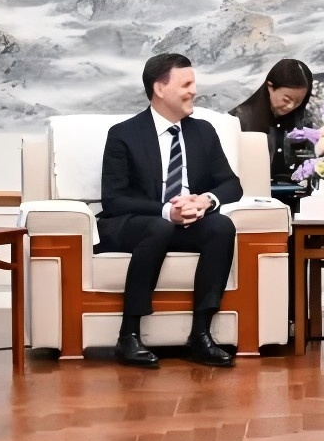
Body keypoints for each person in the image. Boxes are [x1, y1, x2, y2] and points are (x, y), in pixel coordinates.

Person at [98, 53, 243, 368]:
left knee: (221, 226)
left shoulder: (203, 131)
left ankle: (201, 336)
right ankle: (128, 334)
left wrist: (205, 201)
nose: (194, 91)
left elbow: (232, 185)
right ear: (160, 89)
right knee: (160, 226)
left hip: (186, 223)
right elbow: (114, 200)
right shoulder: (124, 134)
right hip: (136, 224)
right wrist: (166, 211)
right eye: (186, 84)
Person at [230, 57, 315, 198]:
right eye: (286, 99)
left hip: (296, 195)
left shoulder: (304, 120)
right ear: (270, 87)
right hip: (250, 196)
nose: (291, 106)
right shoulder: (239, 118)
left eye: (298, 102)